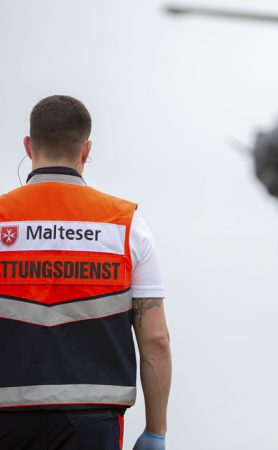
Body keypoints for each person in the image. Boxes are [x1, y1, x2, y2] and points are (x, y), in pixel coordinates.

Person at [0, 95, 172, 450]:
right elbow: (156, 341)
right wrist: (156, 431)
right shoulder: (126, 224)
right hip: (93, 422)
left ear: (29, 147)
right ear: (85, 150)